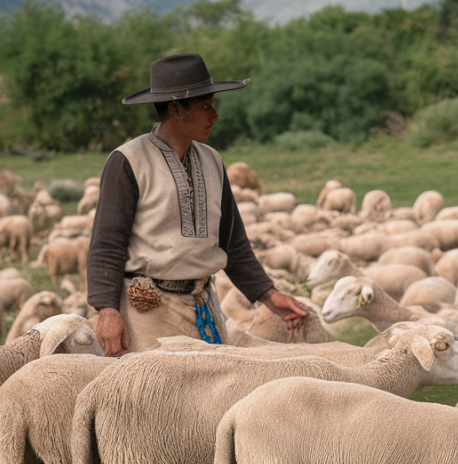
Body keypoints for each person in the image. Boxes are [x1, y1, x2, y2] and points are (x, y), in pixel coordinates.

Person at [86, 53, 307, 356]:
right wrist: (107, 311)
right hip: (148, 315)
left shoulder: (212, 160)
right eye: (206, 106)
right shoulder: (129, 161)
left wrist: (268, 295)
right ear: (177, 109)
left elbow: (232, 243)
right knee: (157, 399)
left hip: (205, 307)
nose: (214, 115)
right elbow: (107, 243)